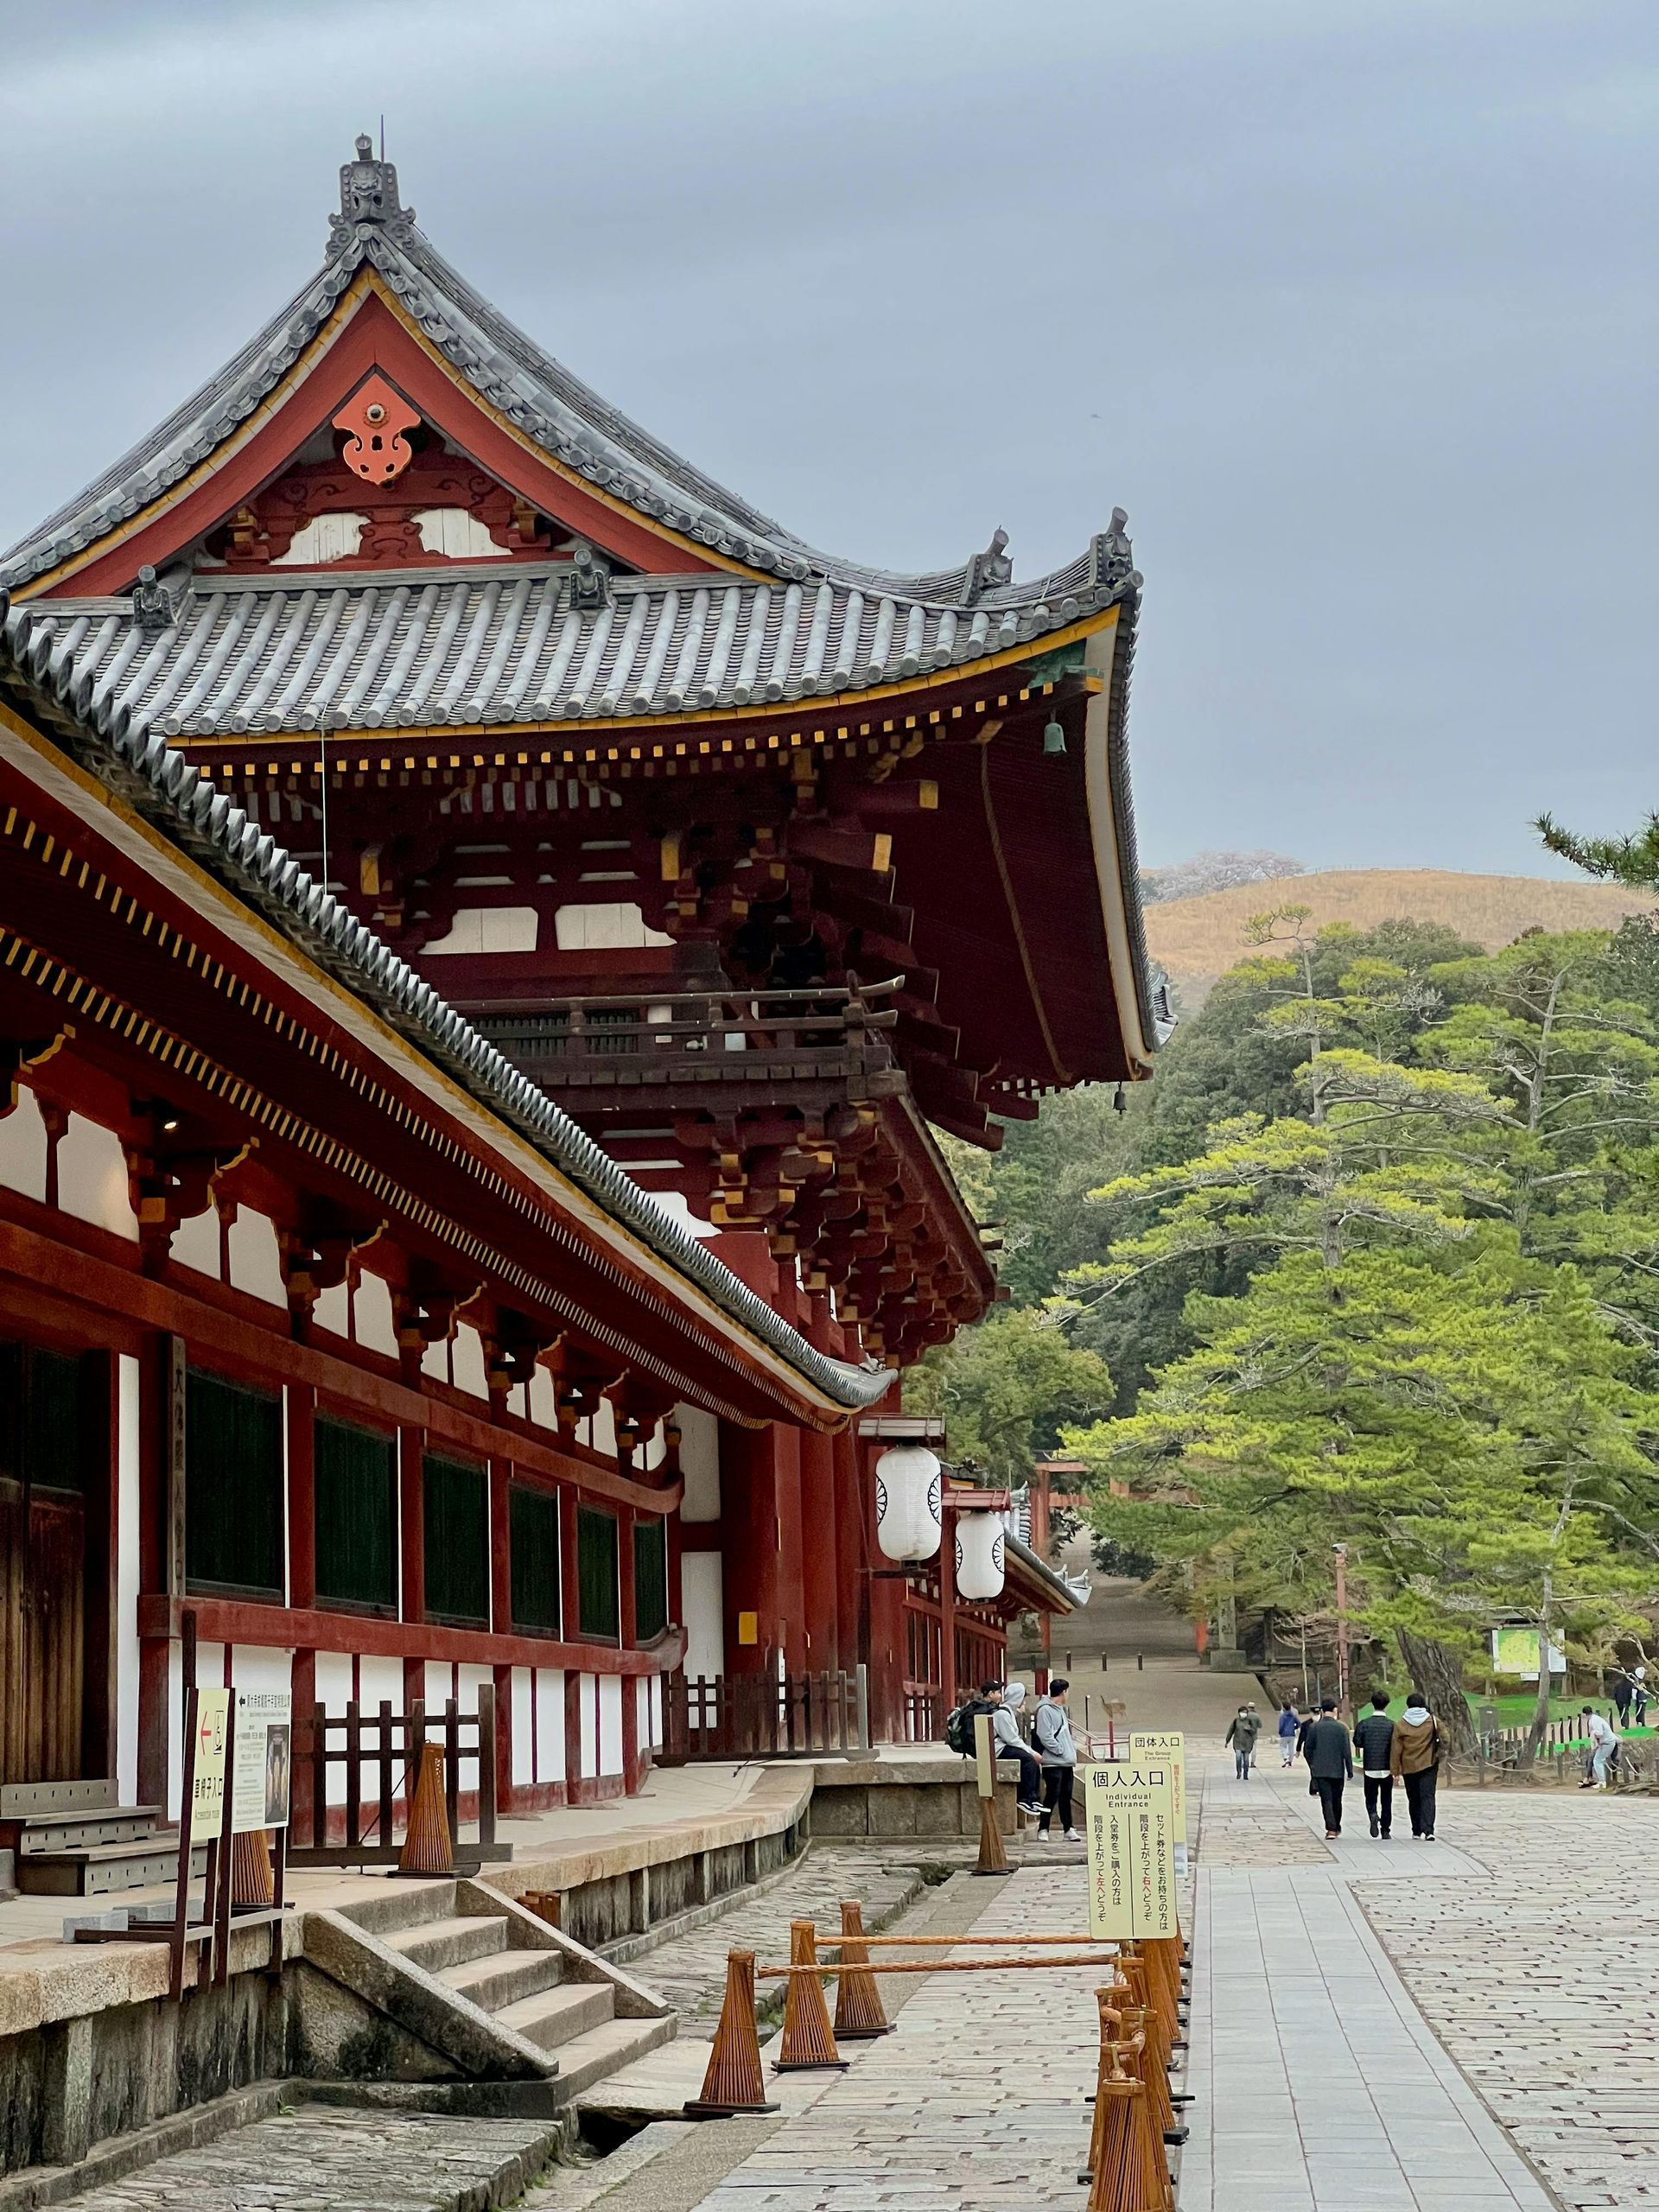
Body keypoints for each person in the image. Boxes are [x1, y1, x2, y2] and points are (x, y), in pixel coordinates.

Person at [1389, 1690, 1443, 1838]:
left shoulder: (1401, 1724)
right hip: (1429, 1763)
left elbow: (1396, 1749)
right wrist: (1439, 1754)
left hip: (1408, 1766)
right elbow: (1446, 1738)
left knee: (1413, 1798)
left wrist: (1395, 1770)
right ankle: (1429, 1830)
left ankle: (1416, 1830)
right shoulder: (1432, 1721)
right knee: (1428, 1797)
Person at [1033, 1677, 1082, 1840]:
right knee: (1052, 1794)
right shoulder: (1045, 1710)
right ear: (1063, 1692)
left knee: (1066, 1795)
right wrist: (1059, 1749)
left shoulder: (1060, 1709)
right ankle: (1043, 1828)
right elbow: (1045, 1735)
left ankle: (1068, 1828)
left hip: (1066, 1761)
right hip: (1053, 1761)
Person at [986, 1681, 1044, 1814]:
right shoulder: (1003, 1714)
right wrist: (1031, 1752)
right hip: (998, 1749)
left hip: (1005, 1746)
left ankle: (1034, 1798)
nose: (1024, 1702)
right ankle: (1024, 1798)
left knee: (1031, 1760)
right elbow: (1011, 1739)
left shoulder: (1010, 1713)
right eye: (1022, 1698)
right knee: (1028, 1760)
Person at [1301, 1697, 1352, 1837]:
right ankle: (1336, 1825)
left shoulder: (1314, 1727)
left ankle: (1331, 1828)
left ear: (1323, 1711)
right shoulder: (1342, 1728)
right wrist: (1350, 1770)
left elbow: (1308, 1750)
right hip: (1337, 1770)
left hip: (1320, 1770)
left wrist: (1313, 1764)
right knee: (1337, 1799)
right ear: (1335, 1710)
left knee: (1326, 1799)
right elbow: (1346, 1751)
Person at [1351, 1692, 1395, 1840]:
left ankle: (1372, 1813)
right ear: (1387, 1705)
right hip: (1386, 1767)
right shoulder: (1391, 1725)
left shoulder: (1364, 1724)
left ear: (1372, 1704)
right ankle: (1386, 1830)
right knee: (1387, 1799)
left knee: (1371, 1796)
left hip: (1370, 1766)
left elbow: (1357, 1742)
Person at [1582, 1704, 1619, 1790]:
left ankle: (1602, 1782)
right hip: (1604, 1743)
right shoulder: (1594, 1719)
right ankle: (1598, 1780)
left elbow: (1599, 1733)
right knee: (1594, 1760)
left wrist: (1594, 1737)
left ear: (1584, 1714)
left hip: (1607, 1743)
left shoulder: (1594, 1720)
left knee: (1598, 1761)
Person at [1224, 1702, 1261, 1780]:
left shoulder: (1249, 1721)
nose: (1243, 1714)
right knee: (1238, 1758)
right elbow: (1231, 1731)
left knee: (1246, 1759)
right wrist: (1227, 1741)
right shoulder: (1236, 1721)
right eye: (1242, 1712)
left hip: (1247, 1743)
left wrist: (1250, 1729)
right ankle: (1239, 1772)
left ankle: (1246, 1774)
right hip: (1238, 1742)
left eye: (1245, 1712)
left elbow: (1254, 1731)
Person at [1276, 1701, 1300, 1767]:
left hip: (1284, 1734)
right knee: (1291, 1748)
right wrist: (1294, 1728)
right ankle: (1290, 1761)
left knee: (1283, 1747)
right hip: (1292, 1733)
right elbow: (1298, 1723)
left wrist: (1280, 1732)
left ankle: (1286, 1758)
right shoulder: (1293, 1715)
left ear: (1283, 1707)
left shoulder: (1282, 1716)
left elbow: (1281, 1725)